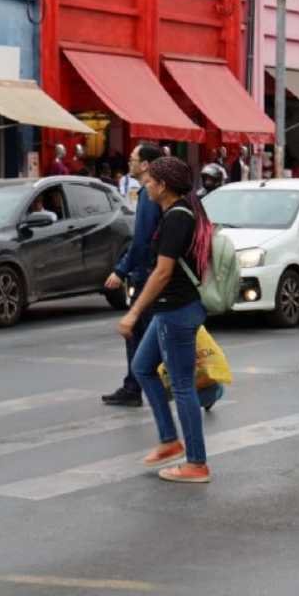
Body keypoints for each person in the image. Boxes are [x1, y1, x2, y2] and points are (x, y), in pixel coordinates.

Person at [118, 157, 212, 483]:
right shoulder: (178, 212)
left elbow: (162, 272)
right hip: (168, 310)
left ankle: (197, 463)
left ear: (162, 185)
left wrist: (133, 312)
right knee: (143, 368)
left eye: (149, 181)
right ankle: (170, 441)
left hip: (176, 311)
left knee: (183, 386)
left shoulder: (177, 218)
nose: (145, 185)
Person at [102, 144, 163, 407]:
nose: (129, 162)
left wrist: (121, 270)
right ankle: (135, 384)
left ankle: (139, 385)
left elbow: (142, 240)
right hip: (150, 271)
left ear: (146, 165)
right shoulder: (151, 192)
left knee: (138, 331)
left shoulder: (150, 195)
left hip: (148, 273)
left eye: (133, 159)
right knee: (144, 332)